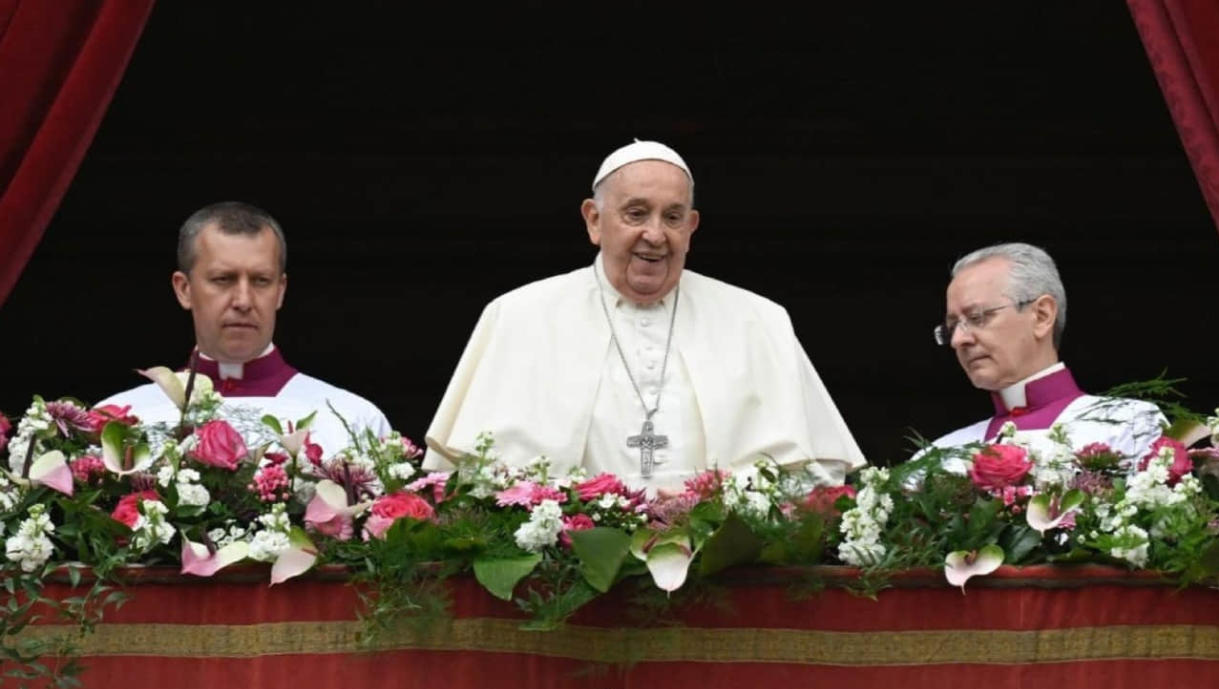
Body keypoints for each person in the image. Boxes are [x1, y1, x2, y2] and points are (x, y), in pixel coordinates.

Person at [424, 139, 864, 492]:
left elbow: (818, 479)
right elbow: (463, 485)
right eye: (636, 213)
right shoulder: (517, 317)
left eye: (672, 217)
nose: (654, 235)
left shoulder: (758, 320)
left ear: (691, 228)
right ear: (594, 220)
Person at [97, 201, 391, 455]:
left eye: (261, 280)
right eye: (223, 279)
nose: (243, 300)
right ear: (184, 289)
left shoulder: (354, 420)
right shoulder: (118, 421)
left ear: (280, 290)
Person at [927, 242, 1165, 466]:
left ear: (1041, 315)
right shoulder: (937, 457)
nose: (958, 340)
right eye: (951, 327)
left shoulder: (1130, 426)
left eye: (977, 317)